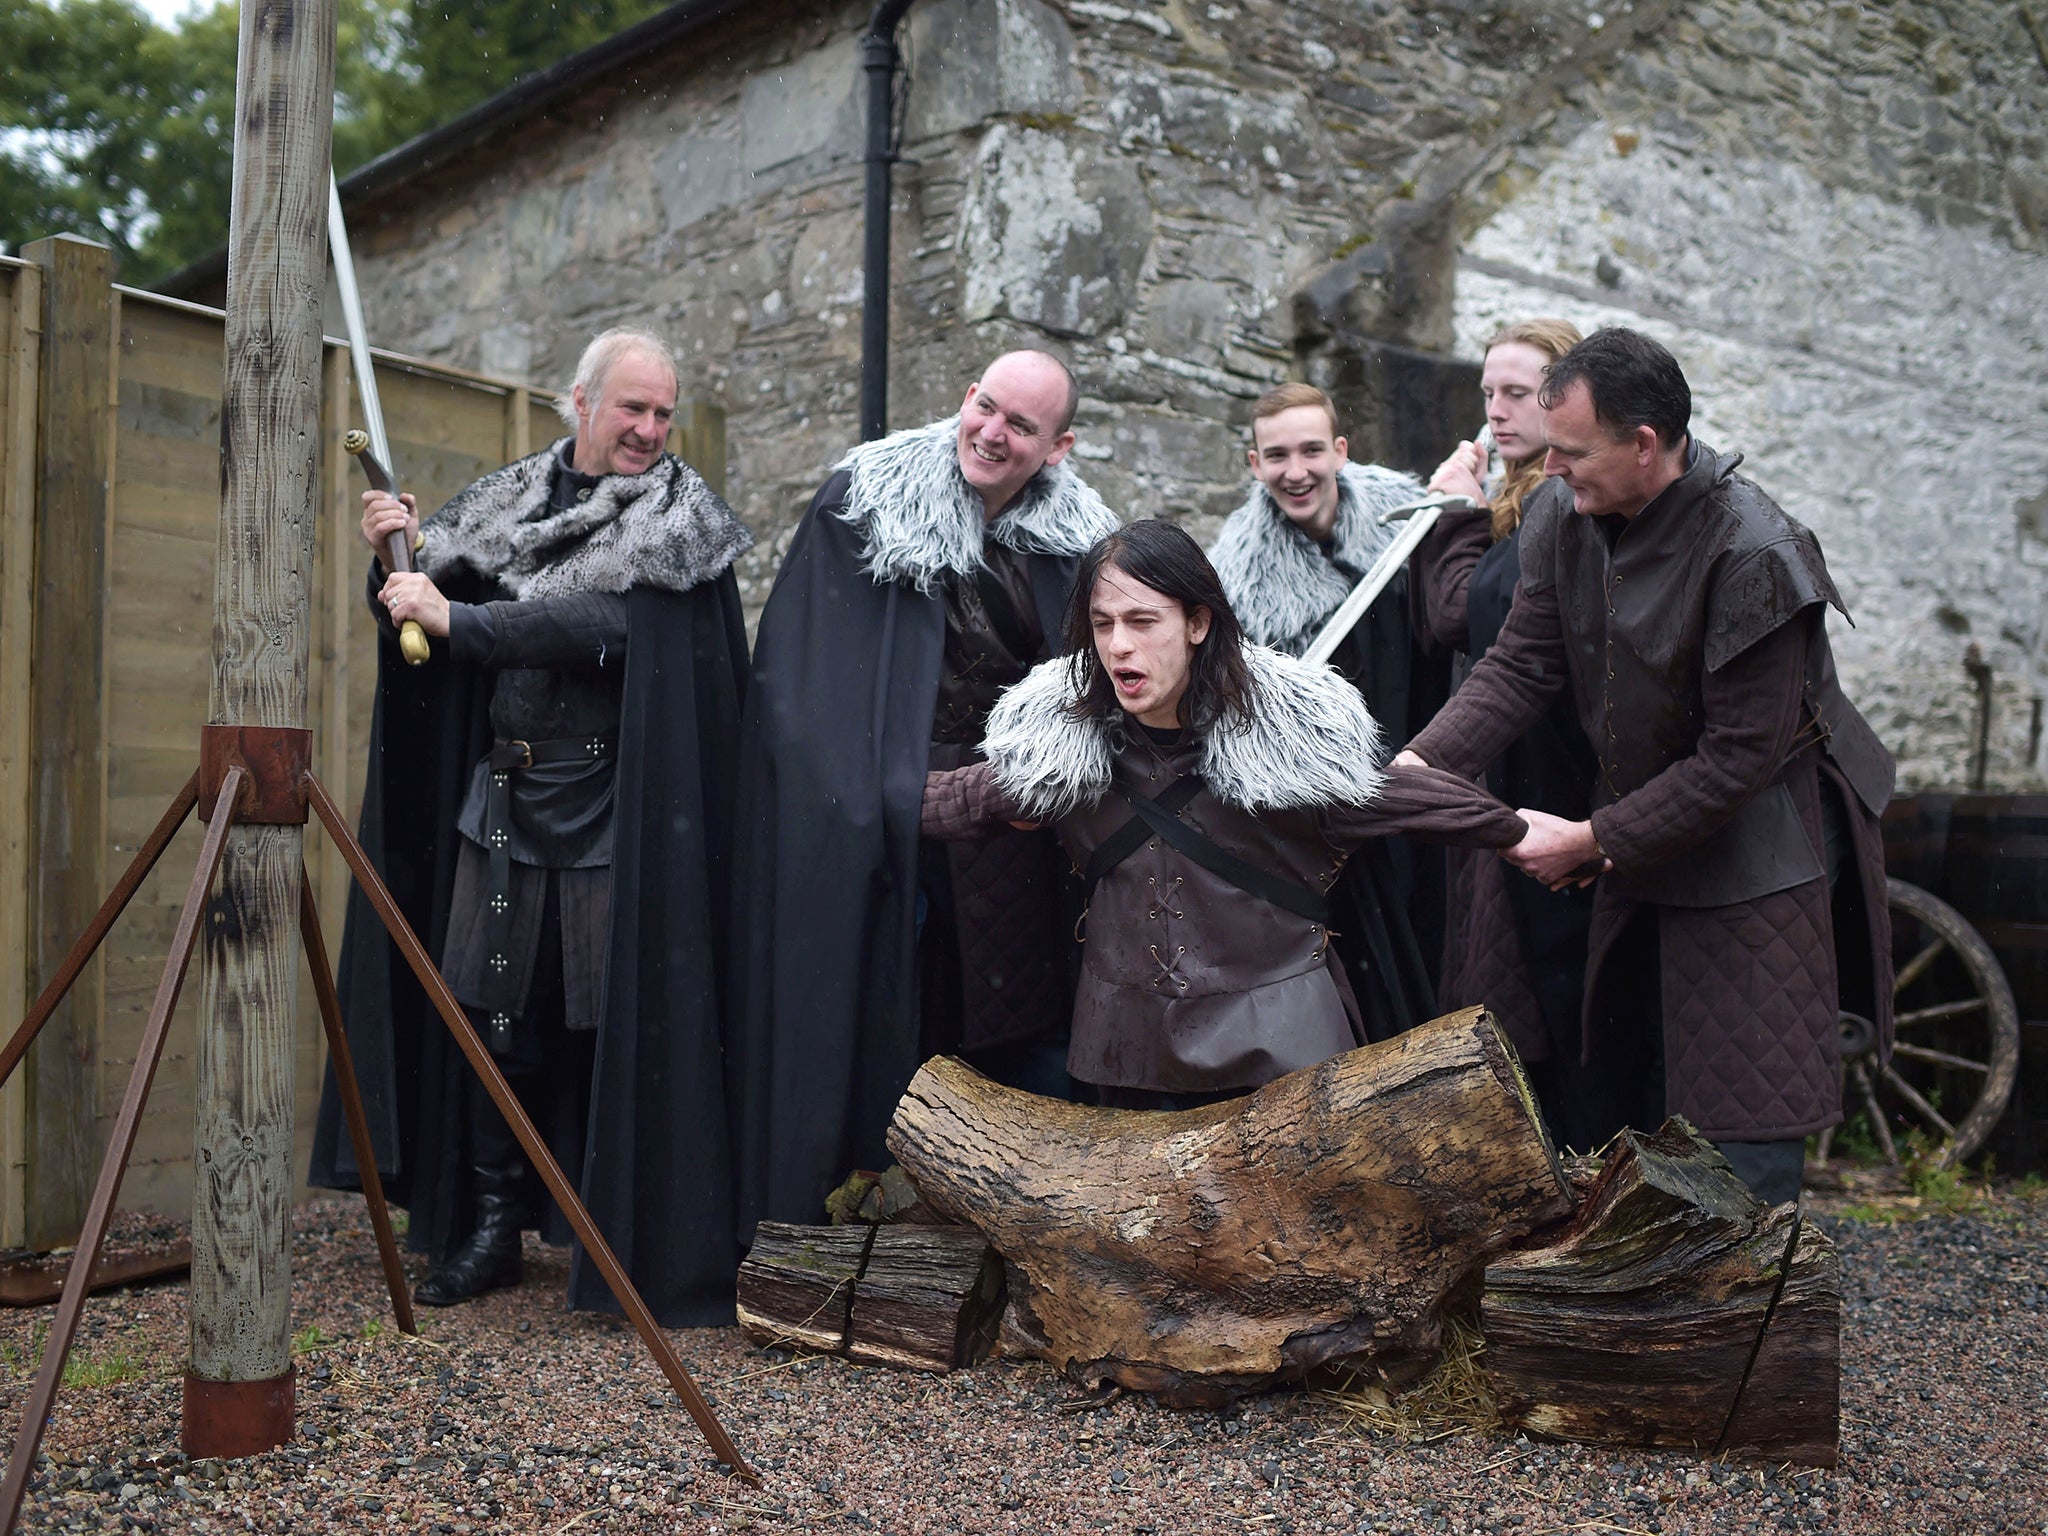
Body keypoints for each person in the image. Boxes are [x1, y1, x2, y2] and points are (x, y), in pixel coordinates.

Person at [309, 328, 753, 1323]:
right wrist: (395, 561)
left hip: (612, 814)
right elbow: (421, 626)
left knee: (597, 1021)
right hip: (499, 806)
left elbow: (597, 626)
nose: (646, 429)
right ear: (580, 403)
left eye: (661, 413)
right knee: (486, 1016)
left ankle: (612, 1233)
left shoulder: (679, 520)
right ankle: (489, 1229)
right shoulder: (503, 499)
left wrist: (458, 619)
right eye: (630, 407)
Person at [1398, 327, 1895, 1204]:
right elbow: (1521, 664)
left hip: (1756, 860)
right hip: (1638, 838)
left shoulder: (1757, 552)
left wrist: (1593, 839)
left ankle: (1751, 1331)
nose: (1550, 472)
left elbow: (1740, 758)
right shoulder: (1564, 511)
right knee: (1624, 1106)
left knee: (1738, 1130)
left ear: (1644, 445)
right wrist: (1414, 768)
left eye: (1572, 452)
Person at [920, 519, 1529, 1107]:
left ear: (1197, 623)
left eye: (1142, 621)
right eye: (1102, 624)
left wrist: (1519, 832)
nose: (1119, 645)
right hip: (1130, 1058)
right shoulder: (1062, 757)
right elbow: (962, 800)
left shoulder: (1287, 753)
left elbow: (1402, 798)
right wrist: (847, 811)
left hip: (1283, 1055)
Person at [728, 350, 1122, 1235]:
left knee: (1023, 1033)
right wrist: (891, 800)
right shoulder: (864, 503)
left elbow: (1096, 682)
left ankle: (1023, 1239)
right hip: (887, 823)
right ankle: (855, 1239)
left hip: (1024, 834)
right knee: (885, 1020)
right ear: (965, 399)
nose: (992, 433)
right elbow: (806, 687)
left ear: (1058, 447)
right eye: (986, 407)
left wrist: (1045, 779)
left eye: (1021, 426)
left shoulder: (1080, 542)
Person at [1413, 318, 1607, 1151]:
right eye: (1488, 392)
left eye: (1517, 393)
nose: (1495, 410)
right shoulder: (1526, 496)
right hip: (1509, 772)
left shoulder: (1558, 502)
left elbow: (1463, 617)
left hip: (1550, 779)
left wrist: (1453, 515)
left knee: (1548, 998)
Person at [1207, 384, 1448, 1040]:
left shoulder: (1414, 519)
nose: (1296, 471)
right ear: (1253, 465)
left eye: (1312, 450)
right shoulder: (1237, 581)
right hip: (1335, 812)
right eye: (1276, 455)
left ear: (1340, 451)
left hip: (1429, 763)